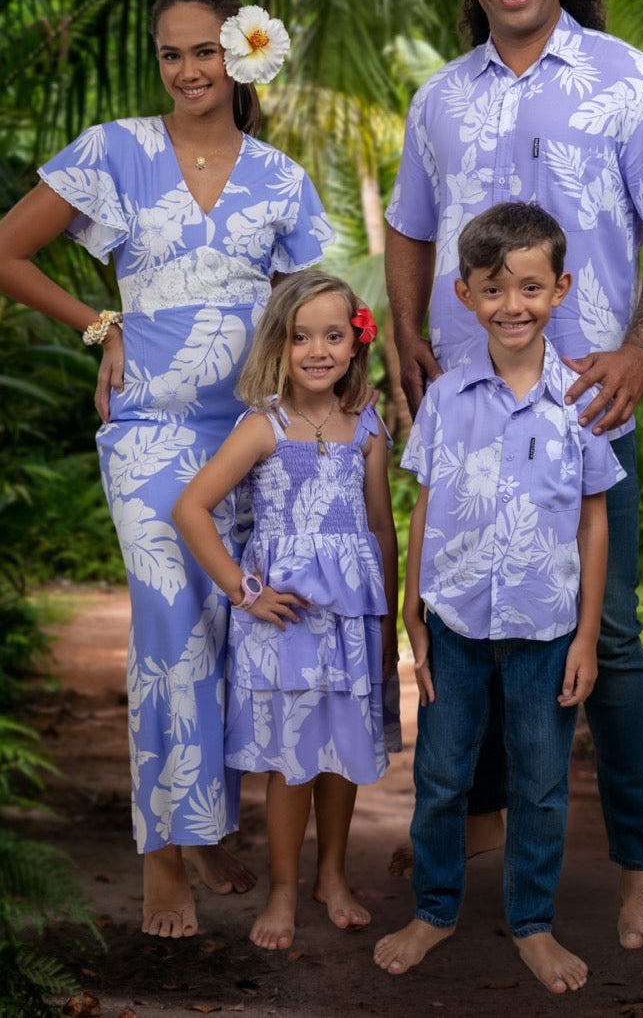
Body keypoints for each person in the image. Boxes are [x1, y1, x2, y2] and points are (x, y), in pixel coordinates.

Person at [384, 0, 643, 953]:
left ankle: (641, 868)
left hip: (580, 404)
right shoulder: (438, 98)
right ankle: (475, 822)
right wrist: (402, 333)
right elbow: (407, 229)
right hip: (465, 414)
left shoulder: (630, 82)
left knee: (604, 641)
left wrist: (642, 347)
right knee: (466, 625)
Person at [0, 0, 335, 939]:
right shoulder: (115, 152)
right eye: (170, 54)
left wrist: (337, 407)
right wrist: (101, 325)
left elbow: (315, 311)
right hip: (149, 435)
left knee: (228, 621)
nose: (186, 71)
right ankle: (162, 857)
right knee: (170, 624)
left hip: (249, 436)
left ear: (243, 54)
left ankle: (204, 819)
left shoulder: (281, 180)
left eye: (205, 52)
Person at [375, 203, 625, 991]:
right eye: (493, 289)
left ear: (560, 288)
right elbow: (424, 501)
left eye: (528, 287)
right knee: (443, 776)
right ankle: (435, 908)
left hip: (547, 628)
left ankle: (531, 922)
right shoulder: (446, 400)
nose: (511, 304)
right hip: (453, 626)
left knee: (541, 784)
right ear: (464, 293)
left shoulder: (580, 399)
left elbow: (593, 523)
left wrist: (586, 637)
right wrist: (414, 611)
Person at [172, 272, 399, 951]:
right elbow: (190, 508)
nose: (317, 349)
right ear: (280, 342)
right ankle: (280, 889)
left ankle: (331, 876)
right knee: (290, 757)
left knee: (341, 753)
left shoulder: (368, 426)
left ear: (354, 343)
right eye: (301, 336)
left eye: (333, 335)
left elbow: (380, 528)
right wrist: (245, 589)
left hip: (350, 622)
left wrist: (384, 624)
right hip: (286, 622)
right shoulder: (262, 426)